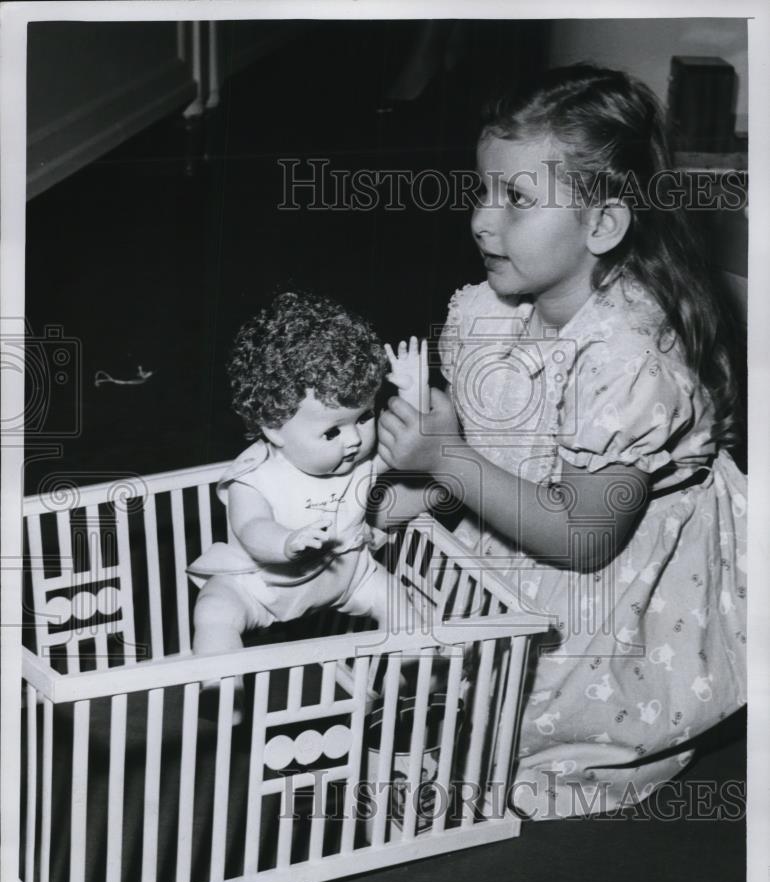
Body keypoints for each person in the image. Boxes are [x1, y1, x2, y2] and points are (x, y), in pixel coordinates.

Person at [377, 64, 747, 819]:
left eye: (515, 199)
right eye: (483, 190)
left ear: (603, 225)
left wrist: (448, 457)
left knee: (539, 717)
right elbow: (511, 456)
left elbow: (584, 537)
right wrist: (421, 481)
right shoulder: (504, 308)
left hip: (601, 574)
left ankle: (588, 758)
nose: (482, 220)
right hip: (533, 533)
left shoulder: (626, 361)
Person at [188, 291, 428, 686]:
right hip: (263, 585)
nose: (352, 440)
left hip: (349, 576)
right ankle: (222, 686)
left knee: (401, 605)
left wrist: (414, 390)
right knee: (214, 609)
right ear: (275, 430)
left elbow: (409, 442)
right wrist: (286, 542)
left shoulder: (362, 464)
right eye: (332, 430)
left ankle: (413, 678)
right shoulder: (256, 476)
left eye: (364, 417)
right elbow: (251, 529)